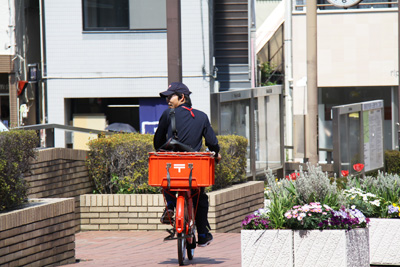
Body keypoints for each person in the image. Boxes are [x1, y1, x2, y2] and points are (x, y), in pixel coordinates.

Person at [154, 82, 221, 247]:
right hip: (194, 167)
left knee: (167, 182)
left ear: (182, 97)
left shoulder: (167, 115)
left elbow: (157, 143)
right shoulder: (201, 116)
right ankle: (203, 234)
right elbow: (212, 143)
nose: (168, 100)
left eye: (170, 96)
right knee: (199, 197)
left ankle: (170, 206)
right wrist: (216, 153)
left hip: (172, 165)